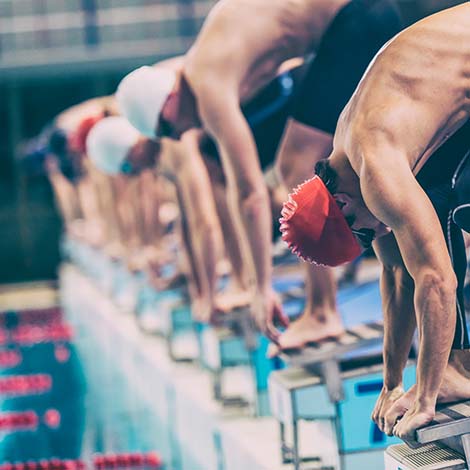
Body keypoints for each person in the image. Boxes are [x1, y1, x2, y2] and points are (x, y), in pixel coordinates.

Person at [116, 0, 403, 343]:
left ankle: (324, 310)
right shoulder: (204, 65)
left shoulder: (207, 84)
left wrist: (260, 287)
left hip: (355, 19)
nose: (175, 137)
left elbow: (248, 192)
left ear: (168, 100)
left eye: (165, 128)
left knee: (297, 163)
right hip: (351, 23)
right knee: (299, 162)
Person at [280, 3, 470, 442]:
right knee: (441, 210)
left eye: (364, 236)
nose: (377, 237)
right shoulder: (348, 163)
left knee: (447, 223)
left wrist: (424, 396)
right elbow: (396, 273)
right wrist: (392, 383)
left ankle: (452, 373)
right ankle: (455, 370)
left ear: (342, 205)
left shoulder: (376, 164)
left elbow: (435, 280)